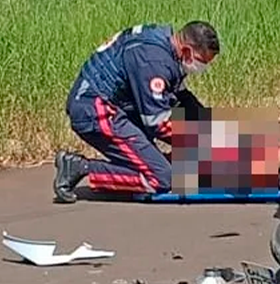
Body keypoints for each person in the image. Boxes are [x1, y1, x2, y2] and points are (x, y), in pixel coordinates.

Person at [52, 21, 220, 203]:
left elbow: (181, 97)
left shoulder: (166, 44)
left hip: (118, 106)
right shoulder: (153, 61)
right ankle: (80, 167)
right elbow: (158, 123)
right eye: (202, 62)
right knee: (162, 178)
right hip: (96, 111)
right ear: (187, 50)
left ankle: (151, 163)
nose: (202, 68)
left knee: (176, 159)